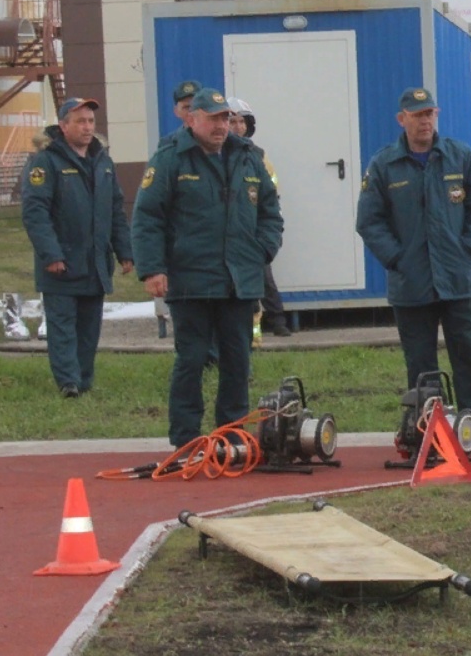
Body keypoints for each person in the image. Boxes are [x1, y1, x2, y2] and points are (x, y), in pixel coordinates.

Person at [131, 88, 283, 448]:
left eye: (226, 118)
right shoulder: (171, 158)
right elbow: (147, 216)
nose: (221, 126)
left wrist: (261, 250)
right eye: (214, 118)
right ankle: (185, 438)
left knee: (237, 359)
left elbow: (270, 210)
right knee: (192, 359)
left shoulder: (248, 157)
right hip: (190, 278)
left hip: (239, 280)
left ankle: (231, 435)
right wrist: (153, 269)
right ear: (192, 119)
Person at [355, 87, 471, 452]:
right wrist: (397, 258)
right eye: (417, 114)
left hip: (457, 281)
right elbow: (369, 221)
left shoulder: (459, 156)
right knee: (420, 363)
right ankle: (428, 430)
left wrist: (468, 247)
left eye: (430, 113)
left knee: (468, 353)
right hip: (412, 284)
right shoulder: (384, 164)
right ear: (401, 119)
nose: (424, 120)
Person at [19, 97, 134, 398]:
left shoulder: (103, 161)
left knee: (89, 328)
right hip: (61, 263)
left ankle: (84, 379)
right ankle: (68, 382)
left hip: (95, 262)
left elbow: (115, 209)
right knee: (63, 326)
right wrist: (51, 254)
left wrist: (125, 251)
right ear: (63, 125)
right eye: (80, 121)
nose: (87, 127)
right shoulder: (45, 161)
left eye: (90, 122)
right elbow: (35, 212)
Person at [227, 97, 291, 339]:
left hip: (255, 230)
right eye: (232, 121)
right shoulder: (217, 154)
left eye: (241, 121)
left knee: (264, 276)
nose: (237, 127)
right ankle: (251, 333)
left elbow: (271, 191)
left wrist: (269, 232)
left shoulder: (258, 156)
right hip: (233, 231)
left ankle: (278, 319)